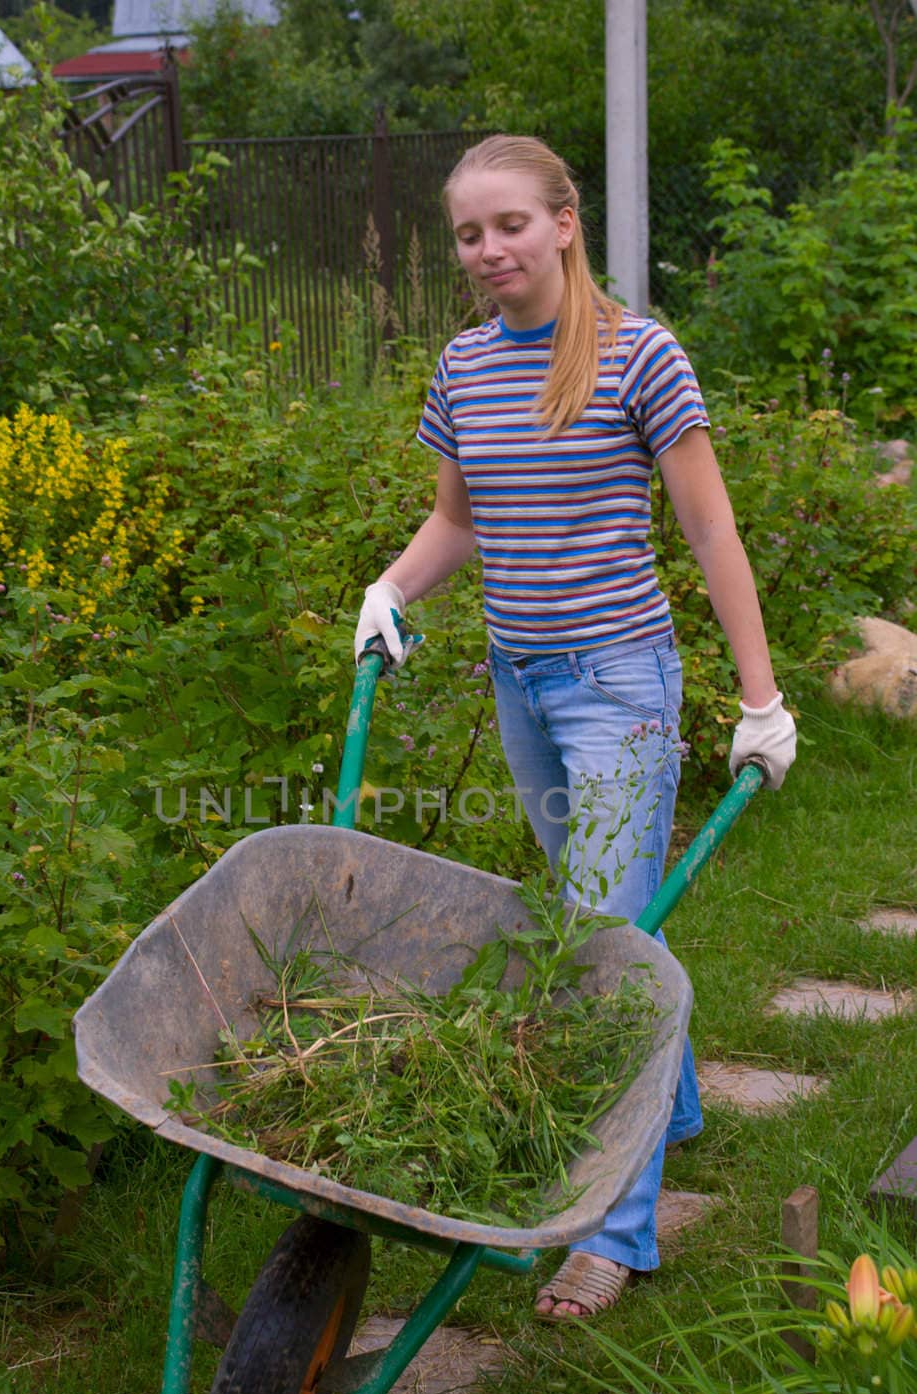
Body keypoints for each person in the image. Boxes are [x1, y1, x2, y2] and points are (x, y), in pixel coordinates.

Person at [352, 134, 796, 1320]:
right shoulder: (463, 367)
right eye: (466, 234)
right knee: (606, 920)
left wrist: (762, 700)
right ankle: (677, 1103)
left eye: (507, 225)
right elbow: (461, 523)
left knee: (598, 951)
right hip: (522, 680)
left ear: (563, 223)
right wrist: (393, 587)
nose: (486, 250)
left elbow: (712, 535)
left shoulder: (640, 357)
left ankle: (615, 1231)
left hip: (620, 687)